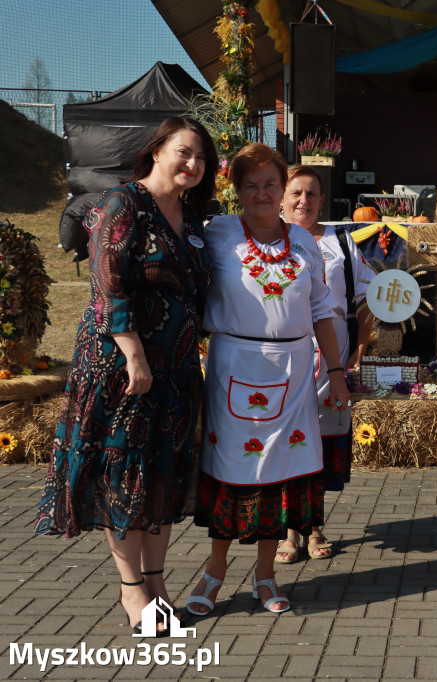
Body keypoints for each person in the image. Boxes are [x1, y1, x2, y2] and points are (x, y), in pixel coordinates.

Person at [35, 116, 216, 634]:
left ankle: (158, 584)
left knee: (163, 472)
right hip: (122, 367)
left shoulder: (193, 218)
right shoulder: (122, 203)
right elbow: (107, 285)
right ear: (156, 150)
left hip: (178, 369)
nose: (193, 164)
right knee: (125, 473)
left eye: (202, 158)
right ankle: (132, 589)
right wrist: (134, 354)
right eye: (184, 152)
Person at [186, 143, 348, 616]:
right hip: (234, 365)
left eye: (270, 185)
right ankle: (214, 573)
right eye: (251, 185)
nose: (262, 193)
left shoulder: (302, 241)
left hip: (295, 371)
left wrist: (336, 372)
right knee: (230, 469)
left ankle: (265, 575)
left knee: (281, 473)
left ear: (282, 189)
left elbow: (321, 309)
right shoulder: (217, 234)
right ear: (236, 190)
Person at [276, 164, 373, 563]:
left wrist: (358, 352)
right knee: (286, 442)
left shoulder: (342, 244)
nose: (304, 201)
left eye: (312, 194)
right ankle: (287, 532)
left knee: (320, 443)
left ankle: (314, 528)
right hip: (283, 357)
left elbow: (367, 300)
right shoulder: (269, 240)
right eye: (295, 193)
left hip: (332, 356)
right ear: (282, 199)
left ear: (322, 200)